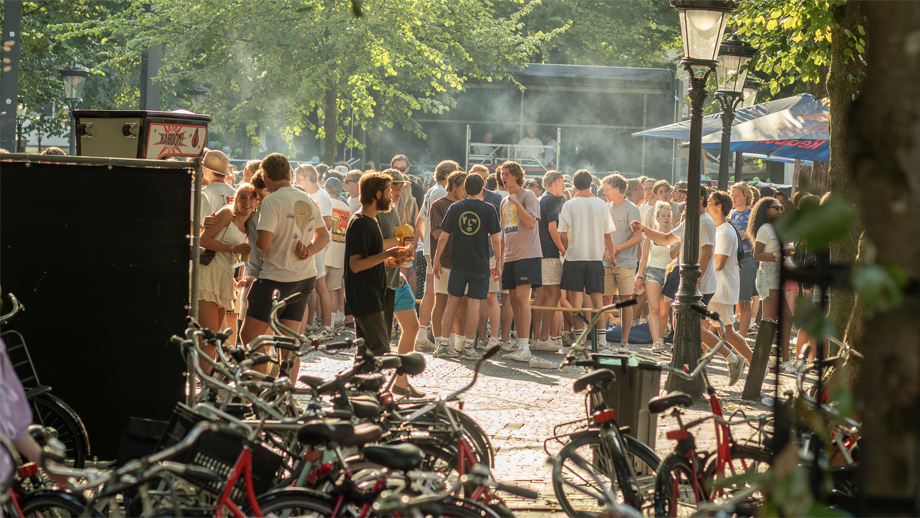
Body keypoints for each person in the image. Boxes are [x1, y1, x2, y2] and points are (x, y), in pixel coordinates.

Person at [240, 153, 329, 380]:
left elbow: (263, 243)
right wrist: (307, 250)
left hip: (275, 277)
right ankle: (286, 393)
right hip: (305, 276)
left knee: (250, 335)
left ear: (266, 175)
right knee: (289, 340)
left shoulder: (272, 200)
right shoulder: (308, 198)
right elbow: (323, 238)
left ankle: (257, 389)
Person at [432, 173, 502, 361]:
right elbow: (496, 239)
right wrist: (498, 263)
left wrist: (436, 260)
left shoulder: (455, 207)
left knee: (452, 302)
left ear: (465, 187)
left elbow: (443, 237)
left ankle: (443, 345)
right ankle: (468, 347)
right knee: (474, 304)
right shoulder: (489, 209)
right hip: (480, 264)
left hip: (458, 264)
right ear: (482, 188)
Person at [344, 172, 410, 356]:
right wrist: (388, 253)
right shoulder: (361, 223)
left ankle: (363, 384)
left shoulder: (371, 220)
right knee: (380, 350)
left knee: (366, 353)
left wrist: (390, 260)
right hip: (365, 296)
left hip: (373, 294)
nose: (391, 196)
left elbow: (370, 257)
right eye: (389, 192)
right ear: (378, 195)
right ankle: (373, 383)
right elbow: (355, 265)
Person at [498, 161, 552, 368]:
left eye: (507, 174)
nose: (504, 177)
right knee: (512, 300)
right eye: (502, 174)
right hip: (510, 257)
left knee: (522, 299)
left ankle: (525, 348)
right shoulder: (503, 202)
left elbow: (530, 223)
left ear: (516, 176)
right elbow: (504, 233)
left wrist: (517, 203)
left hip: (528, 255)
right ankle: (521, 347)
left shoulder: (528, 195)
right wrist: (499, 260)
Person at [376, 169, 424, 397]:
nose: (397, 191)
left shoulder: (394, 208)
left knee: (412, 327)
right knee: (380, 340)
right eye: (393, 186)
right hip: (381, 281)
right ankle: (377, 387)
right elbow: (372, 245)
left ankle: (401, 382)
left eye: (400, 187)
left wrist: (404, 252)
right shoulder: (374, 212)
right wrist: (398, 244)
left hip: (397, 277)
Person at [558, 170, 618, 353]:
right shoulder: (601, 204)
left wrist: (568, 249)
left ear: (574, 185)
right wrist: (612, 255)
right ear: (591, 183)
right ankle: (602, 342)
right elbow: (607, 235)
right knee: (597, 299)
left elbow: (562, 234)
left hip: (574, 257)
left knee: (577, 298)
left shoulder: (569, 204)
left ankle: (579, 341)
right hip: (594, 257)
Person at [196, 184, 255, 365]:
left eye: (252, 198)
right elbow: (203, 240)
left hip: (225, 276)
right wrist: (233, 248)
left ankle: (208, 378)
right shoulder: (227, 214)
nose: (247, 202)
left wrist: (243, 278)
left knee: (217, 336)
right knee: (209, 335)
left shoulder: (251, 223)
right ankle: (206, 382)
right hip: (208, 272)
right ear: (235, 199)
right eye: (242, 197)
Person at [705, 190, 752, 384]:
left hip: (720, 289)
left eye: (709, 202)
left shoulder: (724, 231)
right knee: (700, 328)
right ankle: (699, 370)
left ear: (719, 207)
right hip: (714, 288)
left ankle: (754, 364)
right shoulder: (718, 228)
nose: (706, 205)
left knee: (728, 333)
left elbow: (718, 264)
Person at [414, 160, 457, 351]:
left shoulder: (431, 190)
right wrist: (434, 243)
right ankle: (441, 337)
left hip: (430, 247)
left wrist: (426, 242)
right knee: (441, 295)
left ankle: (423, 334)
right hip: (440, 248)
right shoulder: (442, 193)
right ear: (449, 176)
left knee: (431, 292)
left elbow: (419, 222)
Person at [749, 196, 794, 372]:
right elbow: (756, 255)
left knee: (768, 320)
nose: (779, 209)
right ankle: (785, 360)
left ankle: (764, 359)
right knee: (786, 316)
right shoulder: (764, 229)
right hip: (767, 275)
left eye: (780, 207)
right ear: (766, 210)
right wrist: (778, 255)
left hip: (776, 275)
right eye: (776, 207)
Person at [600, 174, 642, 352]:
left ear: (618, 188)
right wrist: (606, 251)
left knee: (626, 301)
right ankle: (602, 340)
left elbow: (638, 237)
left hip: (626, 263)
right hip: (607, 262)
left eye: (607, 188)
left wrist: (615, 249)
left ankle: (624, 341)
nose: (604, 192)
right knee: (604, 300)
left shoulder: (632, 209)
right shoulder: (606, 208)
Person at [429, 171, 467, 357]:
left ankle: (457, 343)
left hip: (462, 262)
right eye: (463, 188)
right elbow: (436, 234)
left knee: (462, 302)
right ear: (454, 186)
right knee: (441, 300)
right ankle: (439, 343)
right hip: (444, 260)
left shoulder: (465, 205)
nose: (466, 192)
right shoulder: (439, 205)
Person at [296, 164, 335, 340]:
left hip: (317, 245)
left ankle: (327, 327)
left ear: (308, 178)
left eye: (298, 178)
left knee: (320, 285)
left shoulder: (321, 196)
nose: (296, 181)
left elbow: (327, 224)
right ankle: (310, 325)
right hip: (310, 243)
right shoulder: (311, 195)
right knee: (310, 285)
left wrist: (311, 240)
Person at [470, 164, 504, 352]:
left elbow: (500, 231)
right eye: (477, 177)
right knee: (478, 297)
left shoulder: (496, 198)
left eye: (483, 177)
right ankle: (480, 337)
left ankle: (494, 337)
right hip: (471, 253)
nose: (481, 180)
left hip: (491, 253)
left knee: (491, 297)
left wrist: (500, 258)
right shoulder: (465, 198)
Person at [532, 170, 566, 352]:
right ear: (554, 182)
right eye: (562, 183)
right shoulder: (552, 199)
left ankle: (537, 337)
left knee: (541, 295)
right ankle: (544, 337)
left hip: (539, 251)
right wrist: (562, 249)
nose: (563, 187)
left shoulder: (540, 198)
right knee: (554, 294)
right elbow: (553, 229)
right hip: (550, 252)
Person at [635, 202, 674, 353]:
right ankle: (656, 341)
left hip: (669, 274)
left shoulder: (675, 235)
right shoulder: (650, 236)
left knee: (665, 312)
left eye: (668, 215)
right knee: (654, 308)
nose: (666, 218)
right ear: (657, 218)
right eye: (663, 215)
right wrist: (639, 276)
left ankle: (660, 338)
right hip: (652, 272)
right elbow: (644, 259)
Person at [729, 182, 758, 336]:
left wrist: (748, 235)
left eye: (737, 195)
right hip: (733, 259)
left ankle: (742, 337)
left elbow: (761, 238)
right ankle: (736, 336)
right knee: (735, 301)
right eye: (732, 195)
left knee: (745, 300)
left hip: (747, 258)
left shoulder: (752, 214)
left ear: (746, 195)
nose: (734, 198)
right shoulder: (732, 214)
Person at [323, 178, 350, 329]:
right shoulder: (346, 208)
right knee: (333, 290)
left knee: (318, 290)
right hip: (339, 254)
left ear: (326, 188)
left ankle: (319, 322)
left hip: (324, 252)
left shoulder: (324, 204)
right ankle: (330, 325)